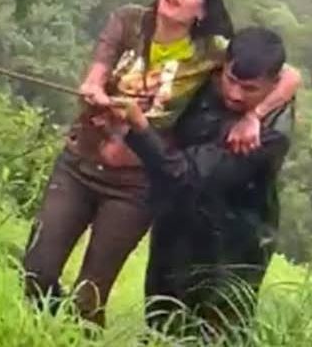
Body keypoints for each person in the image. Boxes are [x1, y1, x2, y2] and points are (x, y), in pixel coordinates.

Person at [22, 0, 302, 328]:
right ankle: (41, 328)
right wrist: (93, 87)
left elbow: (288, 74)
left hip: (135, 185)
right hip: (80, 162)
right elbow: (99, 67)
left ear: (203, 10)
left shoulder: (211, 53)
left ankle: (68, 335)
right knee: (36, 270)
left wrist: (255, 114)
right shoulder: (130, 21)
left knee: (90, 294)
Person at [115, 26, 295, 341]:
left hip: (234, 246)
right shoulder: (208, 79)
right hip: (176, 228)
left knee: (216, 334)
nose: (235, 94)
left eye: (250, 89)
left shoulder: (271, 133)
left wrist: (139, 128)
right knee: (160, 327)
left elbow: (186, 174)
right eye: (231, 80)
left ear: (273, 83)